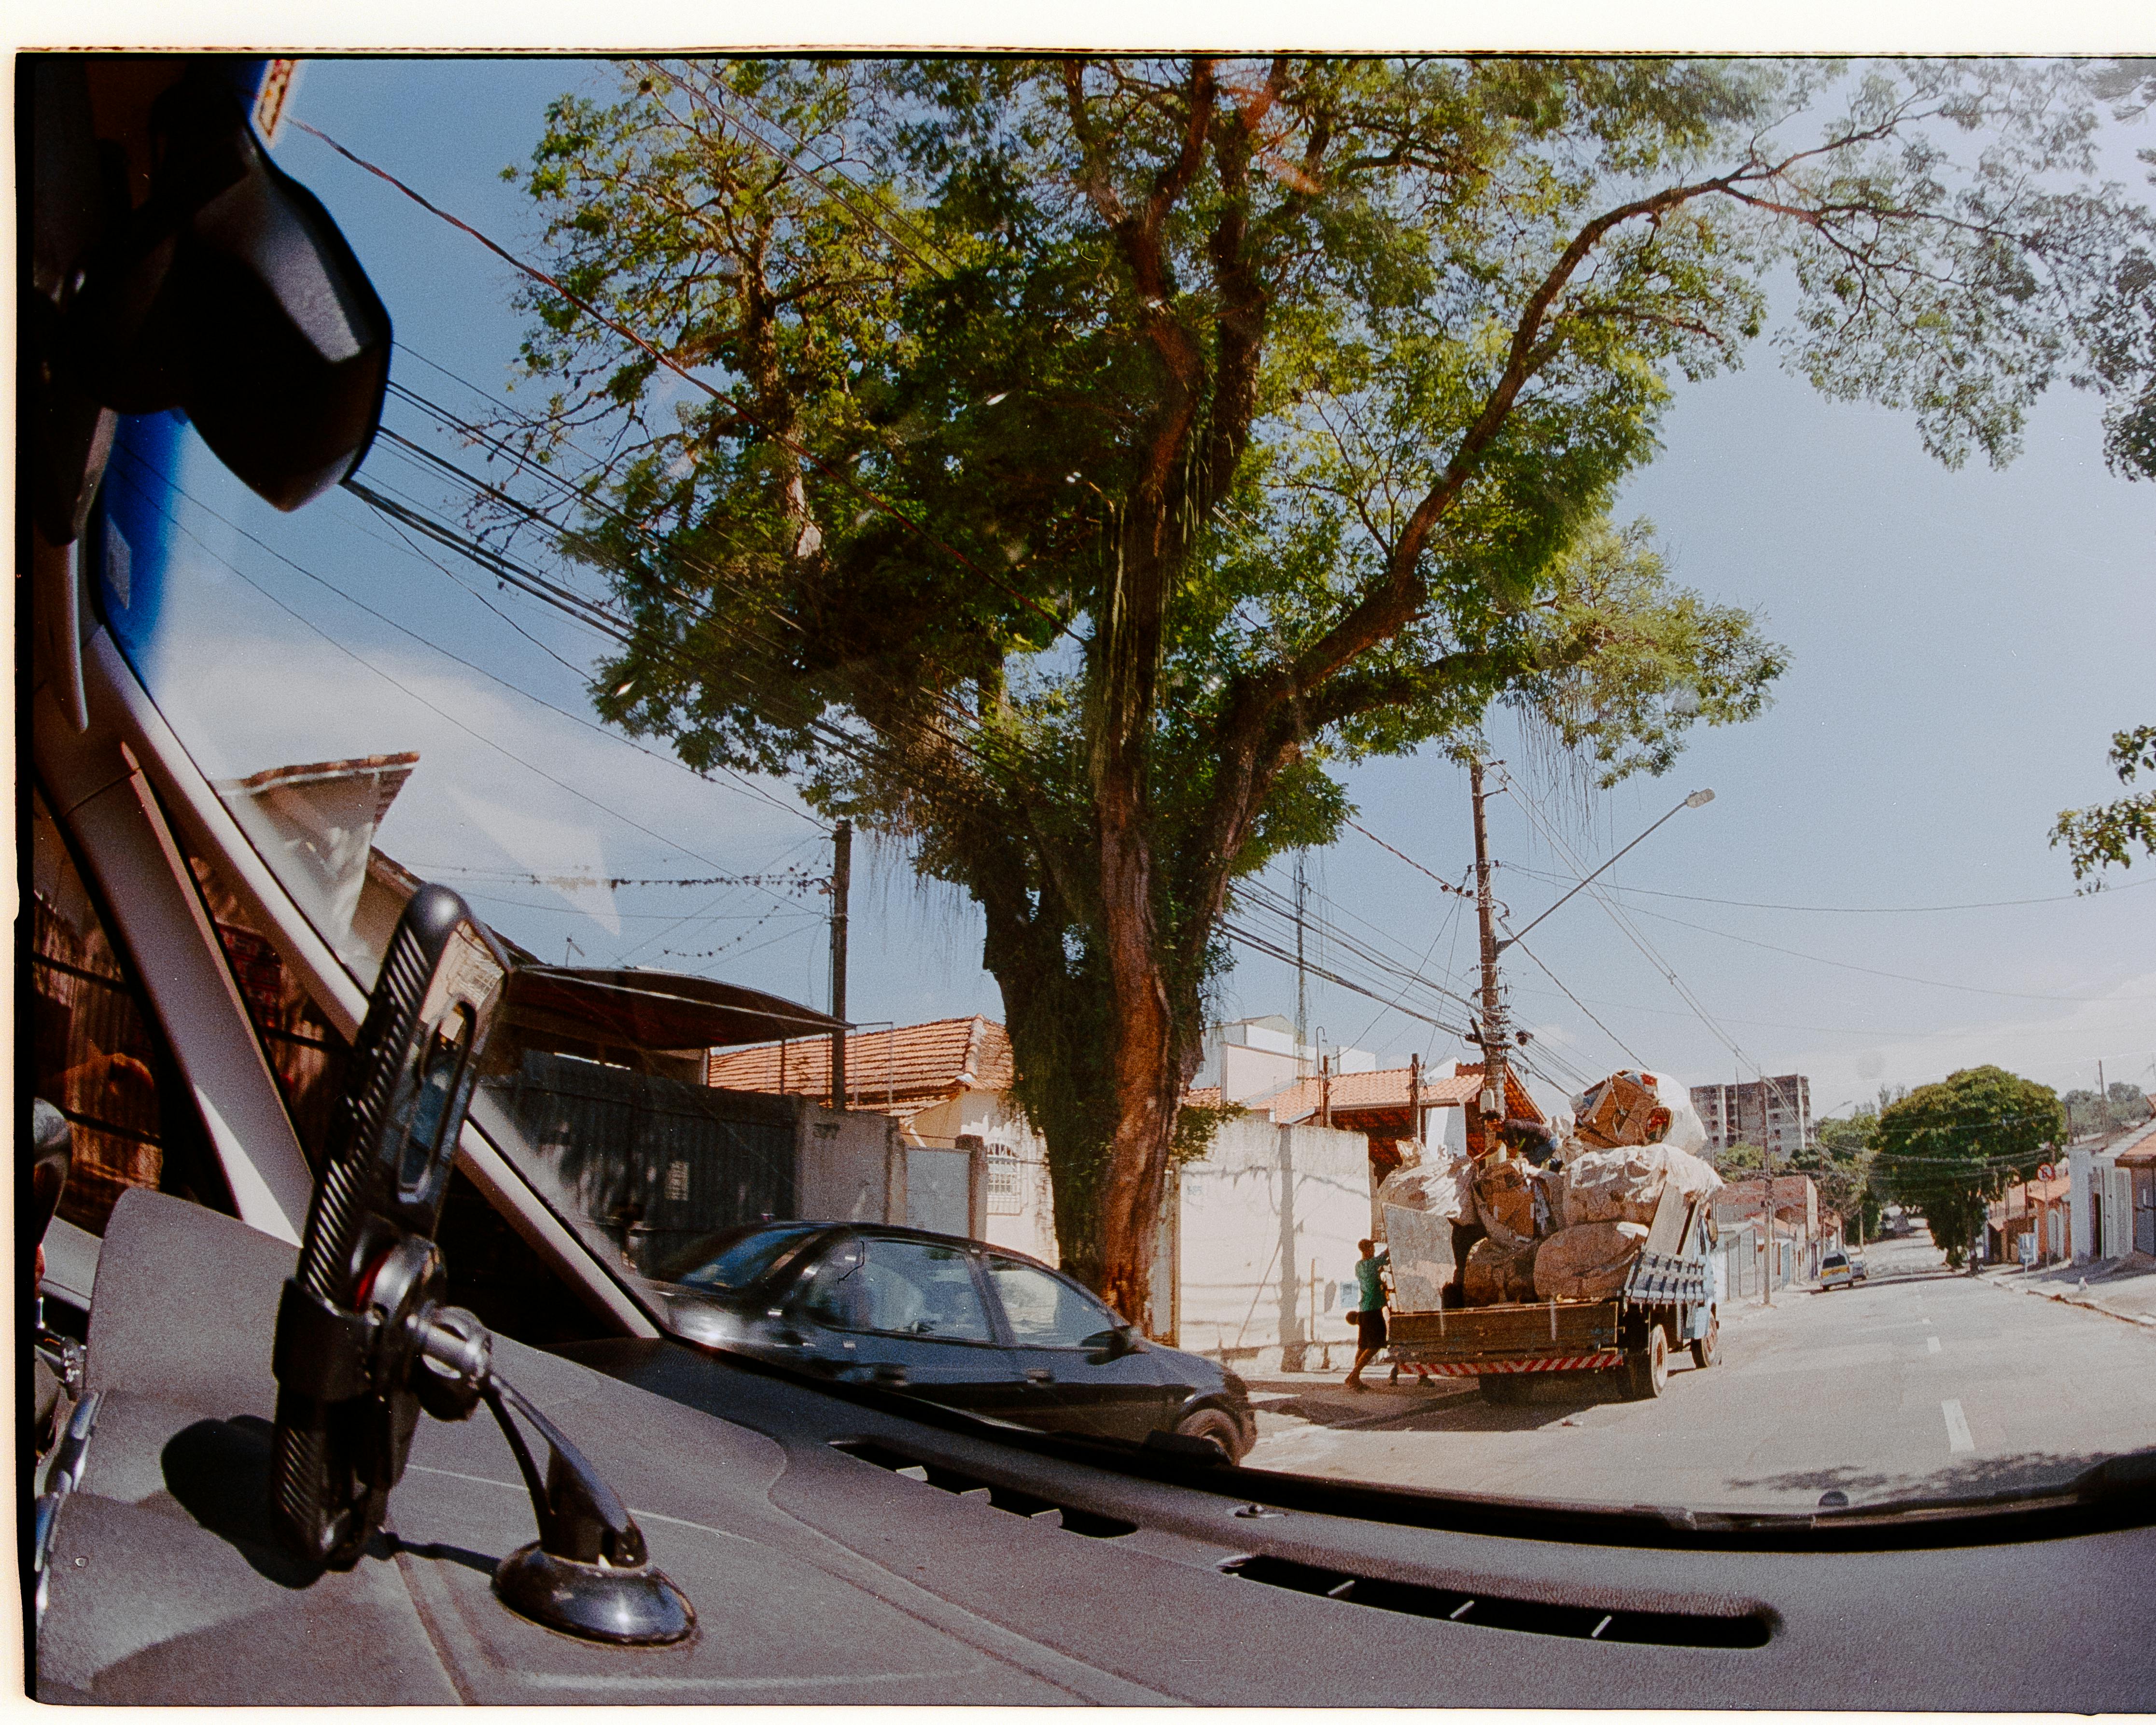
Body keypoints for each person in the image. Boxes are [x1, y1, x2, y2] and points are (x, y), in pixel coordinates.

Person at [1343, 1238, 1390, 1390]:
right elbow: (1385, 1256)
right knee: (1375, 1345)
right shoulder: (1371, 1264)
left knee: (1363, 1346)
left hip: (1364, 1310)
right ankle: (1354, 1376)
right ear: (1367, 1250)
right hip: (1373, 1310)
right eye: (1372, 1248)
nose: (1374, 1250)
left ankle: (1354, 1378)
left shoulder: (1359, 1266)